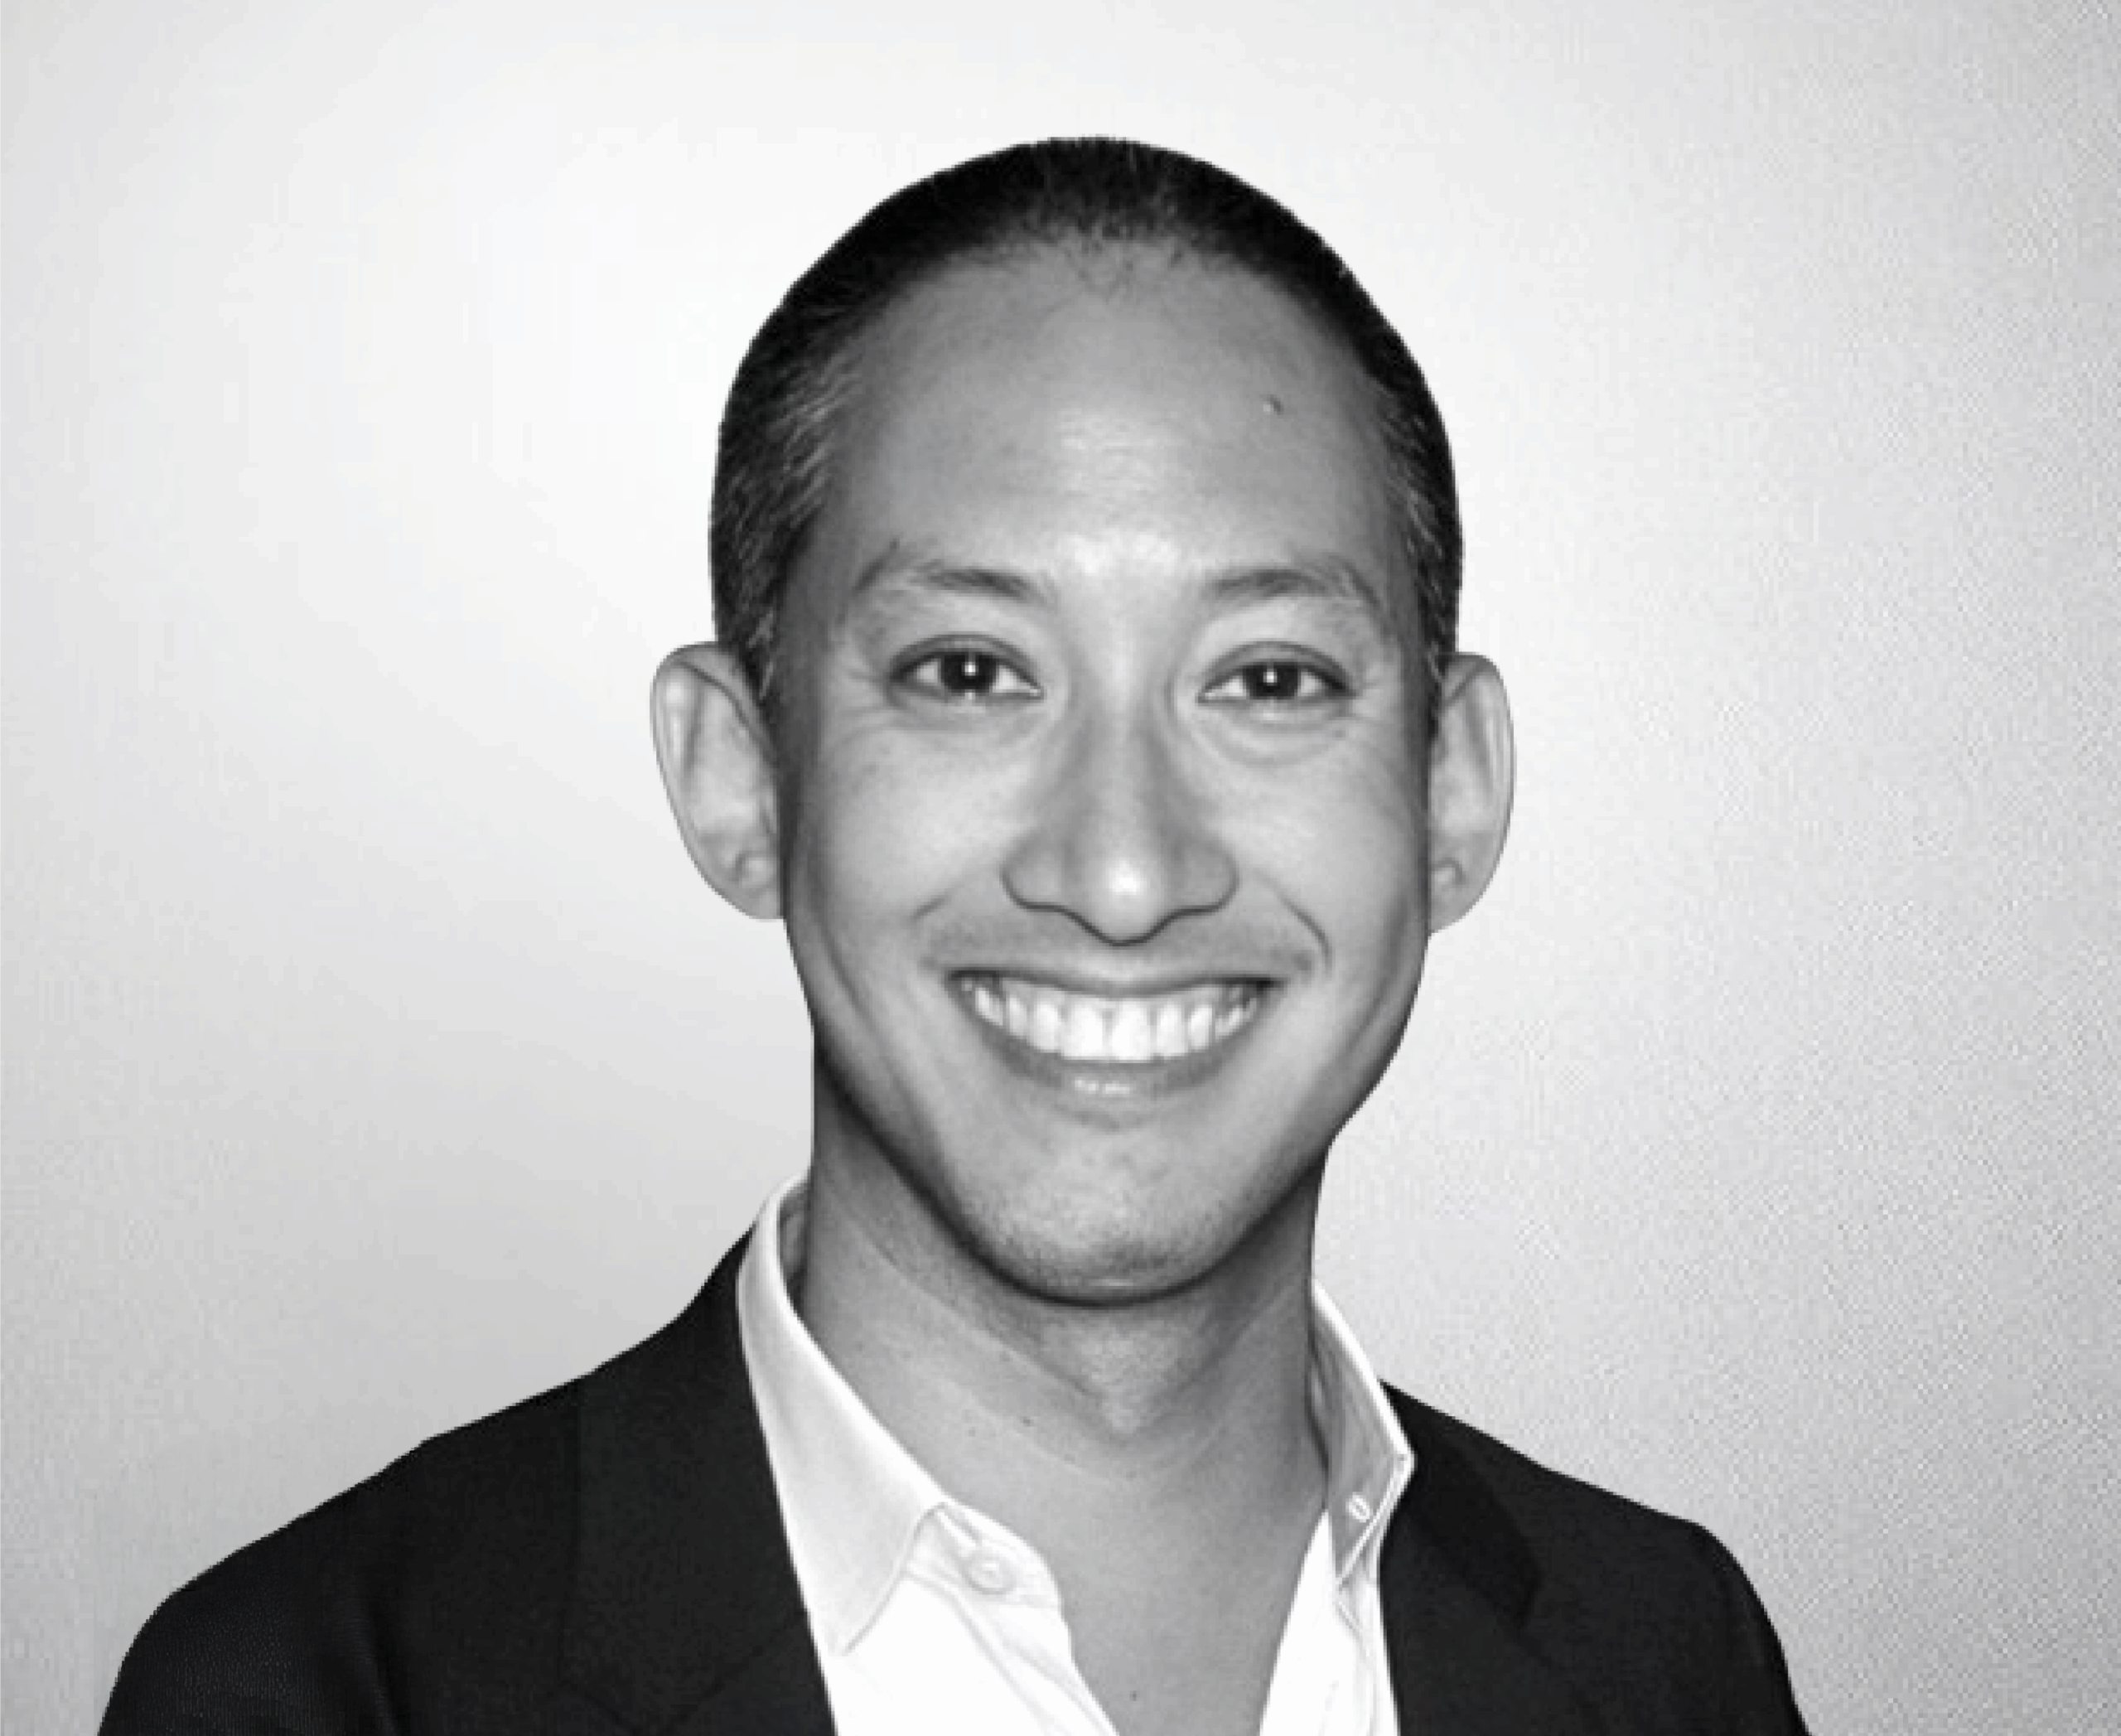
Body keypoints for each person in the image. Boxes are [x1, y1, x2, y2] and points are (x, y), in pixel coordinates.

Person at [102, 137, 1808, 1736]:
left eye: (1268, 680)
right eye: (969, 674)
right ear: (739, 777)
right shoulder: (314, 1692)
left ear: (1449, 794)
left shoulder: (1663, 1656)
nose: (1124, 872)